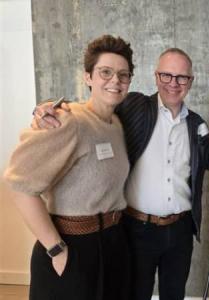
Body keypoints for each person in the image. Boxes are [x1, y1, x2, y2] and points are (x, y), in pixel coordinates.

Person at [33, 48, 209, 300]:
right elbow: (93, 109)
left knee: (174, 295)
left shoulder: (197, 124)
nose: (173, 83)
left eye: (181, 77)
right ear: (156, 76)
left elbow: (208, 161)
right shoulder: (135, 106)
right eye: (166, 75)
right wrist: (48, 108)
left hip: (181, 231)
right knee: (134, 294)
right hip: (138, 229)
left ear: (191, 81)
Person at [3, 35, 134, 300]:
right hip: (72, 246)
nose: (115, 81)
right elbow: (19, 185)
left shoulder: (117, 124)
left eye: (123, 74)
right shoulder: (67, 120)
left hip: (112, 242)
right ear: (88, 77)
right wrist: (56, 249)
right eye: (105, 72)